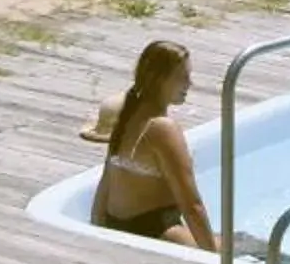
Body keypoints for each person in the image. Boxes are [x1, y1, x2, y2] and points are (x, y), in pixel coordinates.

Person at [90, 40, 216, 249]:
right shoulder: (162, 128)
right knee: (253, 248)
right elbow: (192, 206)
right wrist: (213, 260)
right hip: (157, 232)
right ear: (158, 80)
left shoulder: (126, 117)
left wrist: (96, 236)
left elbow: (104, 190)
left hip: (116, 226)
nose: (189, 84)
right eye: (182, 77)